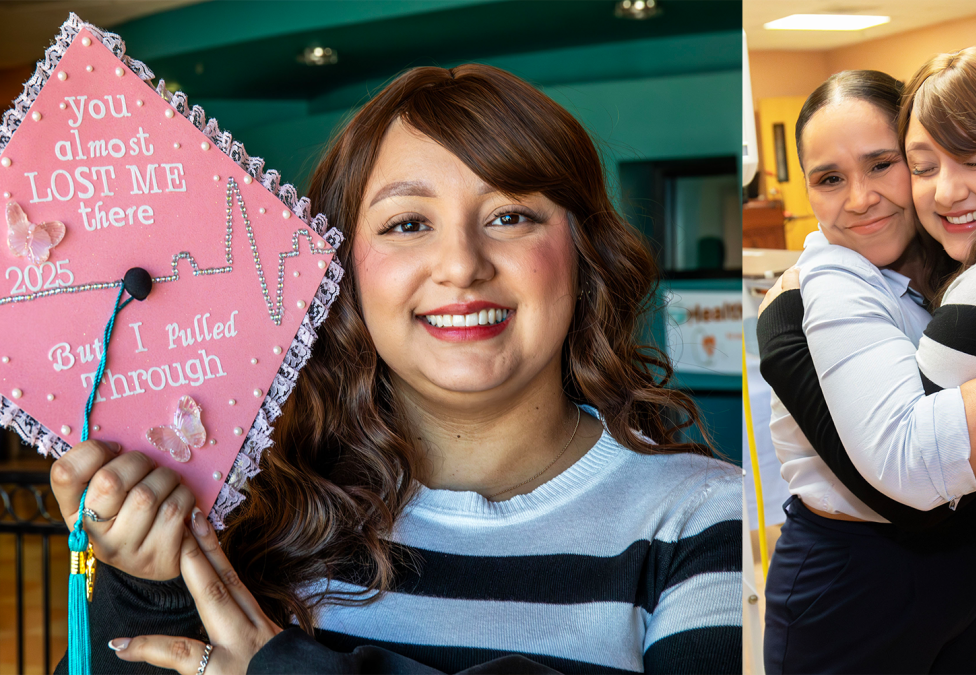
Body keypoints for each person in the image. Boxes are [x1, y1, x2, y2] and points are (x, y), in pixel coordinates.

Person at [49, 65, 742, 675]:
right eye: (408, 223)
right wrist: (148, 583)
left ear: (583, 252)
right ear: (343, 274)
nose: (463, 264)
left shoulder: (703, 521)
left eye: (509, 215)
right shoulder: (254, 520)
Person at [758, 47, 976, 674]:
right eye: (828, 179)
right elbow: (909, 486)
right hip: (857, 570)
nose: (860, 199)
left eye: (884, 165)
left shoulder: (964, 255)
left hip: (973, 552)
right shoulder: (825, 289)